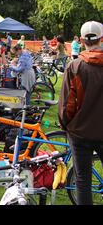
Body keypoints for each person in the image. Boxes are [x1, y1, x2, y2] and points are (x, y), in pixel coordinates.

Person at [58, 21, 103, 205]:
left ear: (82, 40)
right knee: (82, 180)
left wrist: (66, 124)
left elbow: (68, 106)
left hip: (80, 133)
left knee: (83, 181)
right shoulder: (75, 66)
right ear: (101, 39)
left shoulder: (75, 66)